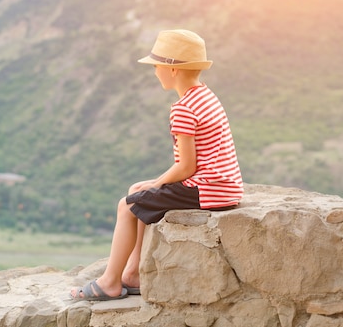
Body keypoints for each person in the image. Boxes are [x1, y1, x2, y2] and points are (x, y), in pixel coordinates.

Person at [70, 29, 243, 301]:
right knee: (138, 190)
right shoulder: (206, 97)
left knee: (126, 205)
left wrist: (158, 182)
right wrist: (153, 185)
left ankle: (110, 282)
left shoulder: (183, 108)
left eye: (156, 66)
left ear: (172, 69)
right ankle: (133, 273)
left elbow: (186, 167)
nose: (154, 72)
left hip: (206, 189)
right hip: (223, 186)